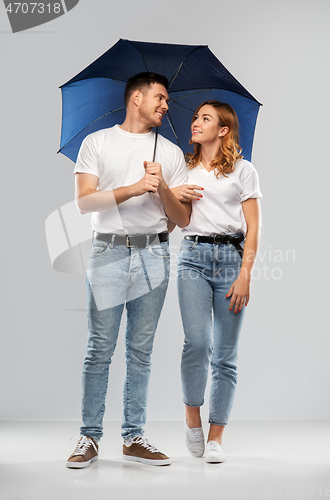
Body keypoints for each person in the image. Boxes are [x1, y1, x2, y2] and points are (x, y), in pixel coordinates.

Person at [66, 72, 191, 468]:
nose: (165, 105)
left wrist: (163, 189)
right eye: (160, 97)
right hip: (108, 252)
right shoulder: (97, 142)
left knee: (141, 351)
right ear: (136, 98)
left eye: (167, 100)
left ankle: (133, 436)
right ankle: (89, 437)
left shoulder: (170, 152)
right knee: (98, 349)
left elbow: (183, 219)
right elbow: (84, 203)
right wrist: (136, 187)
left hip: (155, 254)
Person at [171, 100, 262, 463]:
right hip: (191, 256)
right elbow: (177, 221)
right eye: (195, 117)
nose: (195, 122)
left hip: (230, 262)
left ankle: (216, 438)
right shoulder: (183, 169)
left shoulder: (244, 170)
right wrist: (171, 193)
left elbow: (253, 226)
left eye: (204, 118)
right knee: (197, 343)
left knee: (225, 355)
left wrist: (245, 275)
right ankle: (192, 418)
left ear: (223, 130)